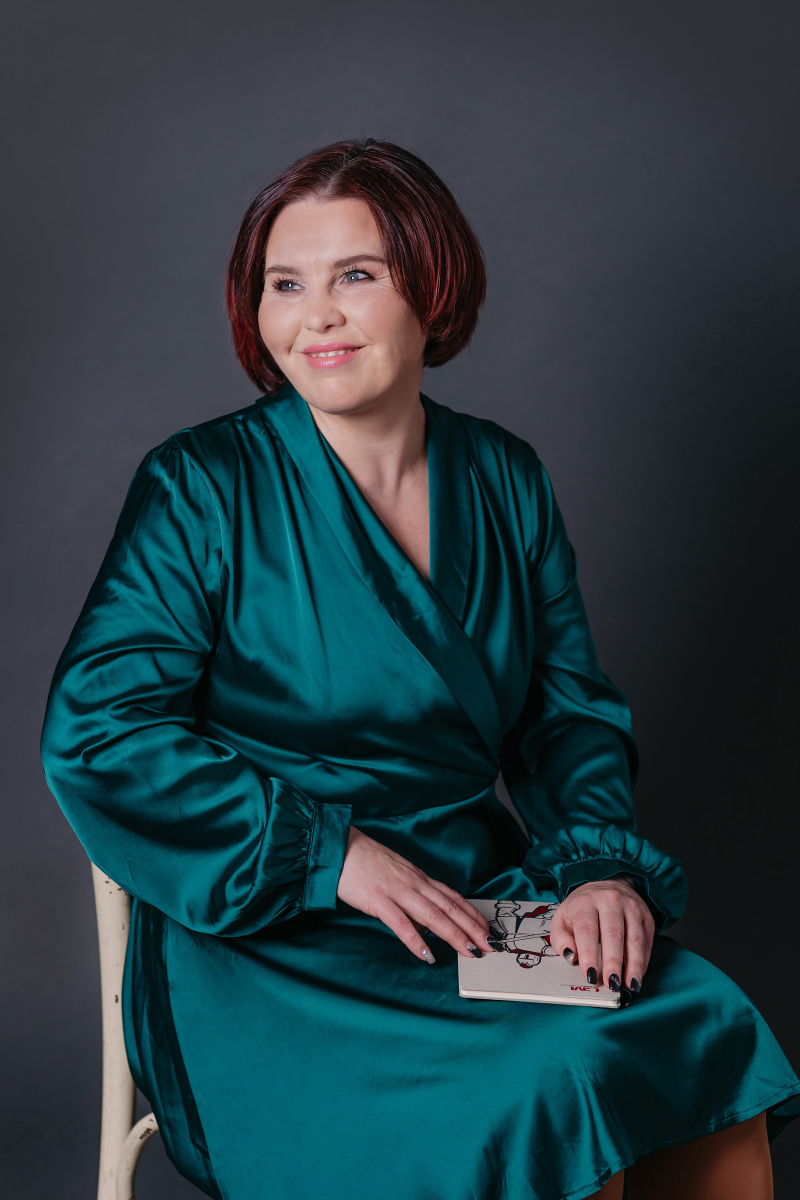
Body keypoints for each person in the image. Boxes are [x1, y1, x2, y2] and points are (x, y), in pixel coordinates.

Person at [40, 137, 799, 1200]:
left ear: (430, 288)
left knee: (697, 1022)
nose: (316, 316)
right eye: (284, 284)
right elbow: (97, 733)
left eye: (355, 275)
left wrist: (598, 868)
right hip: (268, 937)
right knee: (550, 1083)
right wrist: (330, 854)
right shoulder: (201, 485)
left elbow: (566, 715)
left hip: (471, 907)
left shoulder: (504, 476)